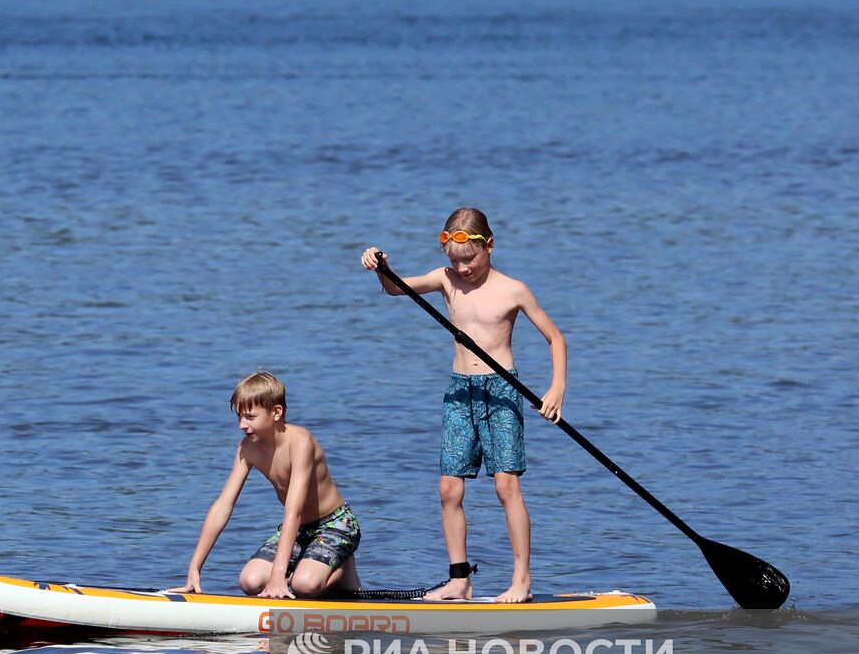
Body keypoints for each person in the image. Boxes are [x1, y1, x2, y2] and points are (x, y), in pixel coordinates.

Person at [361, 207, 566, 603]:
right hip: (460, 392)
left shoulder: (513, 289)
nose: (463, 268)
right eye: (455, 260)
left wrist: (556, 388)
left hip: (501, 392)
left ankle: (521, 579)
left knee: (506, 487)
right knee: (448, 489)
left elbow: (556, 338)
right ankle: (459, 579)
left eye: (469, 259)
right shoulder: (445, 280)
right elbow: (395, 288)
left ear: (489, 246)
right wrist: (380, 266)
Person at [171, 371, 362, 599]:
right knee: (250, 581)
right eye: (239, 417)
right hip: (300, 529)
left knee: (305, 585)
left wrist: (278, 576)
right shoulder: (247, 448)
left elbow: (294, 509)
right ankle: (311, 565)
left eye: (250, 417)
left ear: (276, 412)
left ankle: (342, 569)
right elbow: (223, 506)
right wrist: (194, 568)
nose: (242, 425)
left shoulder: (301, 442)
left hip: (335, 524)